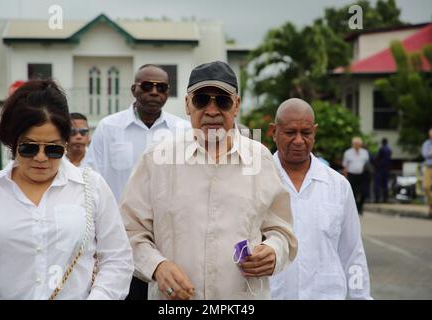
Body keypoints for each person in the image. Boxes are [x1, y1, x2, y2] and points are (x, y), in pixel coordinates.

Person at [120, 61, 297, 300]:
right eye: (202, 100)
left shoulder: (260, 160)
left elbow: (281, 231)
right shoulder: (157, 160)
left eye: (222, 101)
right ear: (187, 104)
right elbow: (129, 231)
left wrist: (273, 251)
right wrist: (157, 266)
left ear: (236, 105)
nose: (212, 111)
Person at [0, 80, 134, 300]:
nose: (41, 158)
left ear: (65, 143)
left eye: (53, 149)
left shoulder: (92, 187)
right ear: (12, 143)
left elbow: (117, 259)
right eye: (29, 148)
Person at [84, 64, 190, 300]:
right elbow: (91, 184)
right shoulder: (109, 128)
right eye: (147, 86)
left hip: (167, 243)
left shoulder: (183, 130)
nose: (154, 92)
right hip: (119, 241)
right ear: (134, 89)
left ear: (167, 92)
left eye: (161, 87)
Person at [268, 98, 371, 300]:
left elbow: (352, 253)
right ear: (274, 132)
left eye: (306, 133)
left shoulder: (338, 186)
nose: (299, 140)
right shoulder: (257, 182)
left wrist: (361, 297)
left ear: (314, 132)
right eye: (290, 132)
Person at [342, 136, 370, 214]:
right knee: (353, 192)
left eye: (358, 144)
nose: (357, 145)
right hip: (351, 175)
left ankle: (360, 206)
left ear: (360, 144)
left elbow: (366, 164)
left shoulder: (365, 152)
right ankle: (355, 209)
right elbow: (345, 165)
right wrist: (345, 177)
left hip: (362, 175)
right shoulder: (348, 152)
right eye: (355, 144)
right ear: (352, 144)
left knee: (364, 192)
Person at [373, 138, 391, 203]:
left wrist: (375, 164)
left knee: (377, 184)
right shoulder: (389, 149)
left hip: (380, 169)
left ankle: (377, 199)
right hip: (387, 168)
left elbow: (377, 158)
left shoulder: (382, 149)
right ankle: (385, 199)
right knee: (385, 184)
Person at [422, 128, 432, 216]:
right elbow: (425, 154)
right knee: (426, 187)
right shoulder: (426, 144)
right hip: (429, 167)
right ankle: (431, 204)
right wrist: (430, 153)